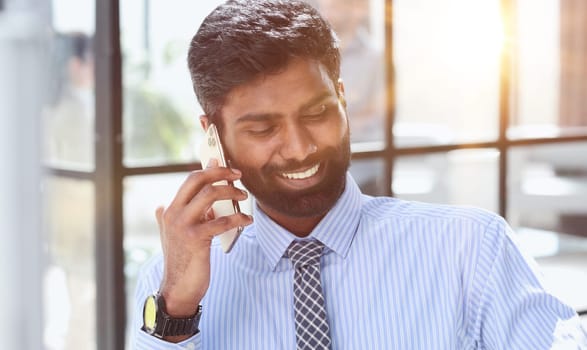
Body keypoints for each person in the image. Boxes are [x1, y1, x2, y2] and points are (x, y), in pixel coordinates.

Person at [132, 1, 587, 349]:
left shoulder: (472, 249)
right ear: (214, 136)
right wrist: (176, 310)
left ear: (343, 99)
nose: (300, 147)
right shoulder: (173, 285)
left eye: (317, 113)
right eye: (263, 128)